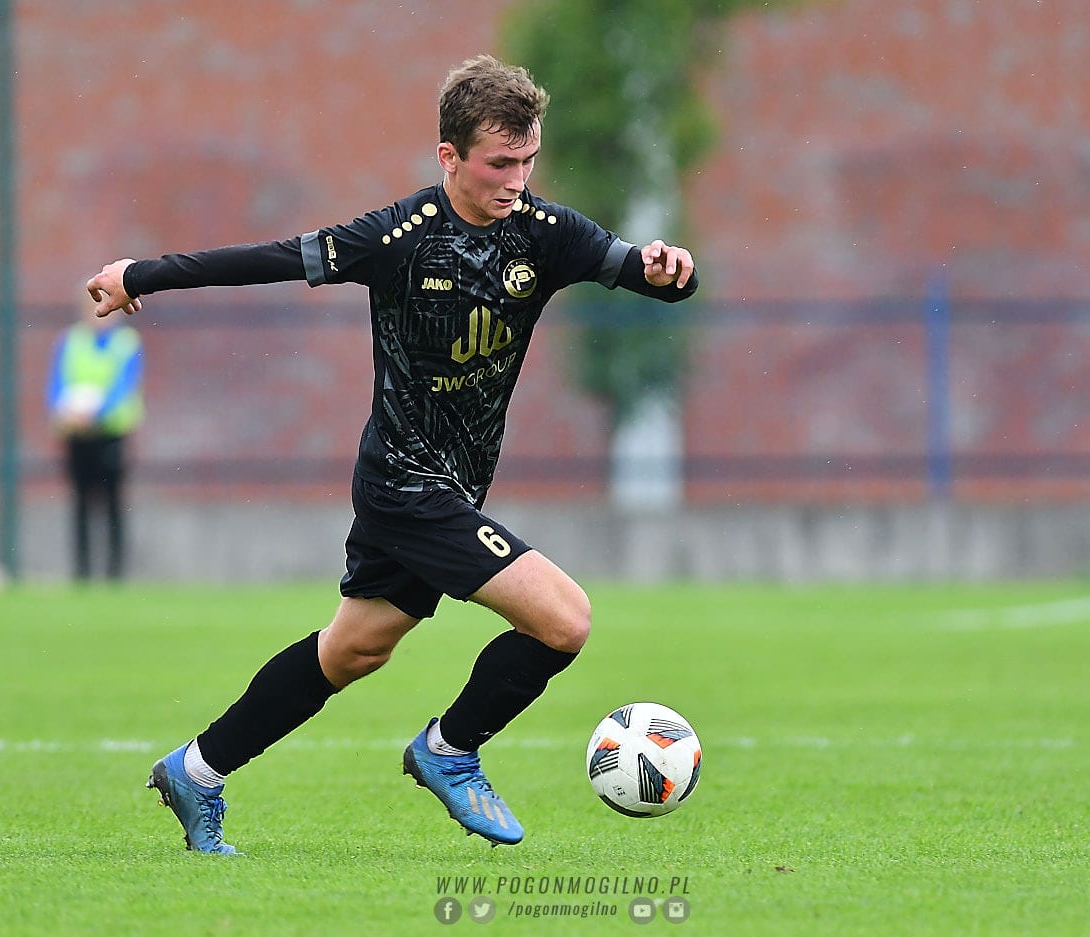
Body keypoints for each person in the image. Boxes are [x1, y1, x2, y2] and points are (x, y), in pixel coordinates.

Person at [86, 54, 698, 854]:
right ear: (450, 156)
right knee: (564, 619)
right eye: (499, 162)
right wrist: (142, 273)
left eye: (528, 159)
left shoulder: (547, 234)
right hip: (405, 484)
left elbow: (643, 273)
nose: (516, 179)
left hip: (453, 486)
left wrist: (670, 271)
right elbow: (270, 258)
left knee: (354, 648)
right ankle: (450, 748)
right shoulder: (397, 237)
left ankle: (195, 770)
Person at [46, 291, 144, 581]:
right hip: (77, 434)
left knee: (113, 503)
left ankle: (115, 573)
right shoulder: (70, 341)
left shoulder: (127, 343)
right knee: (80, 503)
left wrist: (95, 413)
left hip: (112, 434)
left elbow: (123, 386)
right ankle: (83, 573)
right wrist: (64, 413)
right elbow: (56, 384)